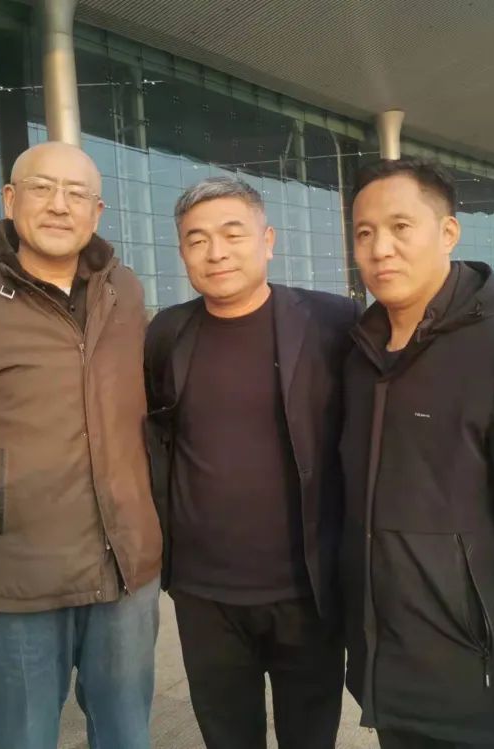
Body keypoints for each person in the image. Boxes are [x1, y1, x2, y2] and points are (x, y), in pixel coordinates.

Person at [0, 141, 162, 749]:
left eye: (76, 193)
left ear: (97, 211)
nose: (59, 205)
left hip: (124, 574)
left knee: (127, 734)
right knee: (21, 737)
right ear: (10, 199)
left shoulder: (124, 290)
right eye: (42, 188)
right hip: (19, 580)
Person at [339, 158, 494, 749]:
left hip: (480, 687)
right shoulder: (360, 357)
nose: (380, 249)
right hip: (391, 682)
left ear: (448, 232)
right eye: (364, 233)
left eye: (401, 227)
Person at [143, 176, 361, 749]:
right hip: (204, 595)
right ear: (182, 252)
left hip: (306, 591)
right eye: (196, 240)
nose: (215, 252)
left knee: (309, 738)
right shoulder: (167, 333)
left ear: (268, 241)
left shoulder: (332, 322)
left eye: (232, 234)